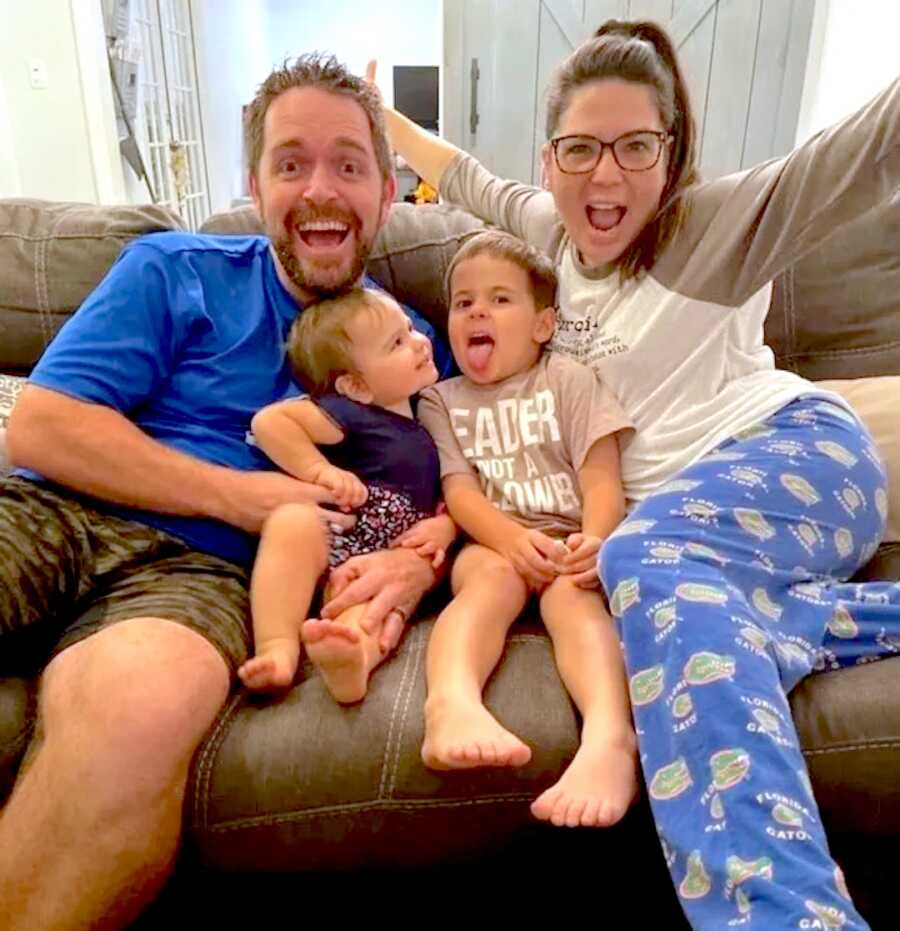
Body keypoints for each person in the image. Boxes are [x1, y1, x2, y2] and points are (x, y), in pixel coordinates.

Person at [373, 19, 900, 930]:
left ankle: (785, 910)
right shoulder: (549, 234)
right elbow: (463, 176)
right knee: (679, 602)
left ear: (672, 153)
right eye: (580, 148)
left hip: (798, 459)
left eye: (634, 147)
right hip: (697, 544)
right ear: (551, 158)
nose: (604, 176)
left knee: (640, 559)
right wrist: (381, 118)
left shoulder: (721, 223)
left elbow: (860, 151)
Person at [0, 53, 446, 930]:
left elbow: (449, 490)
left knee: (138, 709)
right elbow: (42, 427)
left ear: (387, 193)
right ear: (256, 185)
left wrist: (418, 569)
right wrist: (241, 495)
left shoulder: (410, 345)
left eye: (349, 165)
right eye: (292, 163)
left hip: (199, 580)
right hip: (53, 512)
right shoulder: (172, 267)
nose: (321, 190)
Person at [416, 230, 638, 828]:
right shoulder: (440, 400)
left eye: (499, 300)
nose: (477, 311)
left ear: (543, 325)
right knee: (486, 584)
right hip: (492, 541)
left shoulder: (568, 380)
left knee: (577, 602)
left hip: (568, 539)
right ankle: (451, 704)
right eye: (463, 303)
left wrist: (596, 540)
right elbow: (458, 491)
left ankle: (608, 738)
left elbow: (600, 478)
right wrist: (510, 540)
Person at [239, 287, 455, 703]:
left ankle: (352, 661)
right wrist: (319, 470)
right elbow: (272, 422)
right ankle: (277, 648)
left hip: (384, 564)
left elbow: (452, 495)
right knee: (291, 522)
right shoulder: (352, 415)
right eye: (397, 343)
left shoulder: (430, 419)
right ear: (355, 386)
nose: (419, 341)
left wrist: (444, 528)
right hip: (338, 539)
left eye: (409, 330)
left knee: (366, 613)